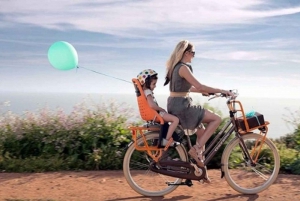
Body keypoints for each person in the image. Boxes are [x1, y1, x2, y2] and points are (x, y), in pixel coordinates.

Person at [164, 40, 234, 183]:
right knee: (216, 119)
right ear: (187, 53)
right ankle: (195, 150)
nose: (194, 56)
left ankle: (201, 172)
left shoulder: (176, 67)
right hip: (182, 107)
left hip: (177, 104)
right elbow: (200, 86)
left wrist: (202, 92)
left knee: (201, 133)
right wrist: (222, 91)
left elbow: (185, 88)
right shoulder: (183, 67)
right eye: (193, 53)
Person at [137, 69, 179, 147]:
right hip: (157, 114)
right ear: (147, 83)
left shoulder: (145, 92)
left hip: (154, 114)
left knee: (171, 120)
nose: (155, 86)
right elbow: (152, 105)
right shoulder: (148, 92)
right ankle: (166, 140)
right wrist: (161, 109)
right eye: (154, 84)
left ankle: (168, 137)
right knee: (175, 120)